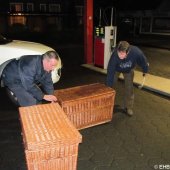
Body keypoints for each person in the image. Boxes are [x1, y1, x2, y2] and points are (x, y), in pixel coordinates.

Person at [106, 41, 149, 116]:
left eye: (123, 54)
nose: (120, 56)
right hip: (116, 69)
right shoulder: (115, 55)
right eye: (119, 53)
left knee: (129, 88)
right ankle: (108, 105)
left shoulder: (136, 52)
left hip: (128, 70)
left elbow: (143, 62)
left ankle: (128, 107)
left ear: (128, 52)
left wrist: (145, 71)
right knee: (110, 85)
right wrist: (108, 87)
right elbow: (110, 72)